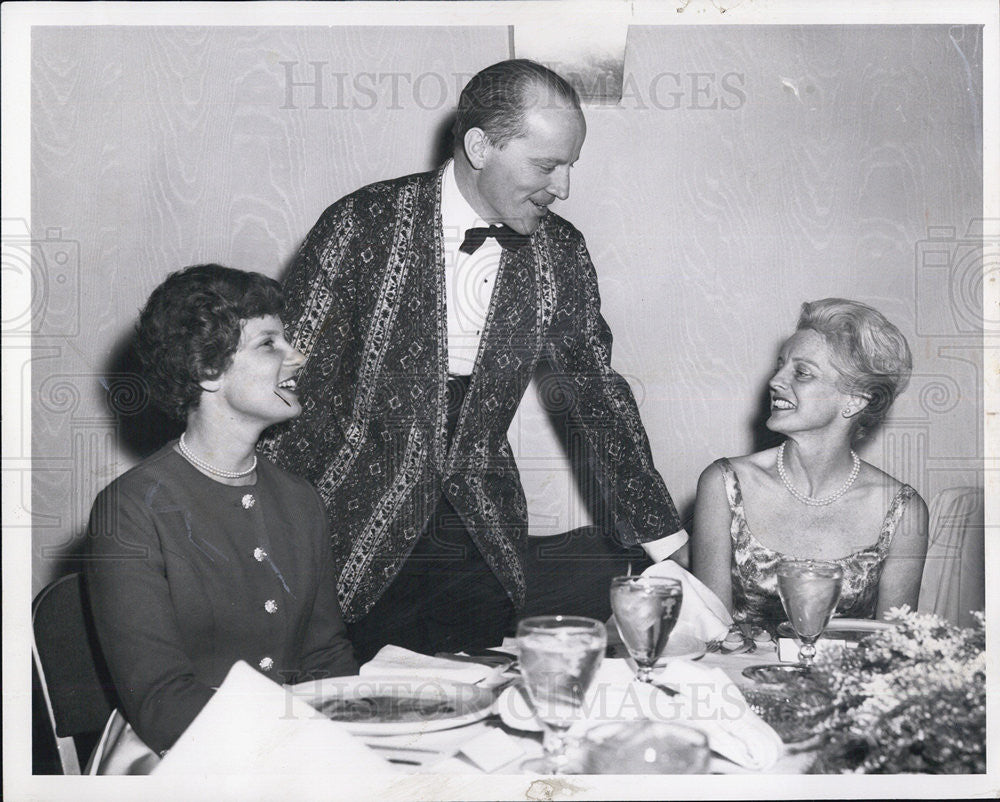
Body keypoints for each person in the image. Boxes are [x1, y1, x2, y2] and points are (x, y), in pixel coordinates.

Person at [261, 59, 686, 662]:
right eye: (546, 165)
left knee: (475, 706)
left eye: (569, 166)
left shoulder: (560, 251)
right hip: (350, 524)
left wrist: (666, 542)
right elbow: (291, 385)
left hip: (480, 535)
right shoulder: (362, 224)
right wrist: (260, 527)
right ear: (480, 146)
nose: (562, 188)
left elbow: (595, 394)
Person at [85, 264, 357, 765]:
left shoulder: (301, 500)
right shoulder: (130, 510)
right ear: (207, 369)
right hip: (176, 751)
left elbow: (327, 658)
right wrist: (295, 747)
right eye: (269, 343)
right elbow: (161, 701)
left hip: (298, 745)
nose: (298, 357)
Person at [691, 298, 928, 628]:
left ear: (855, 399)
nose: (775, 381)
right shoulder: (725, 484)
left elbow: (893, 650)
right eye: (780, 366)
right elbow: (710, 633)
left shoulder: (902, 510)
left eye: (801, 373)